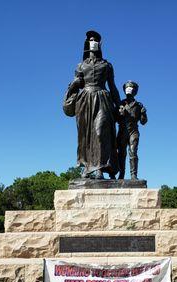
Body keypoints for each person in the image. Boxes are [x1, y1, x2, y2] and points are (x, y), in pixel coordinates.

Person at [63, 31, 120, 179]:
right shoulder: (81, 65)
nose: (93, 42)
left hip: (102, 97)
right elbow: (76, 85)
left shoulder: (107, 65)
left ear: (100, 44)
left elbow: (112, 86)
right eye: (90, 40)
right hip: (85, 100)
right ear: (87, 44)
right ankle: (88, 167)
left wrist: (119, 104)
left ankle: (100, 167)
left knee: (101, 132)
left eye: (95, 40)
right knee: (86, 135)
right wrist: (73, 84)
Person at [117, 81, 147, 180]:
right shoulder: (120, 103)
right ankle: (121, 174)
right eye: (127, 88)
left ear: (135, 91)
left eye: (131, 88)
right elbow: (115, 119)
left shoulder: (139, 105)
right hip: (122, 131)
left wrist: (143, 114)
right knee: (121, 153)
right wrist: (119, 114)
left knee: (133, 152)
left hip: (133, 131)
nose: (129, 90)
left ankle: (133, 175)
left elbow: (143, 122)